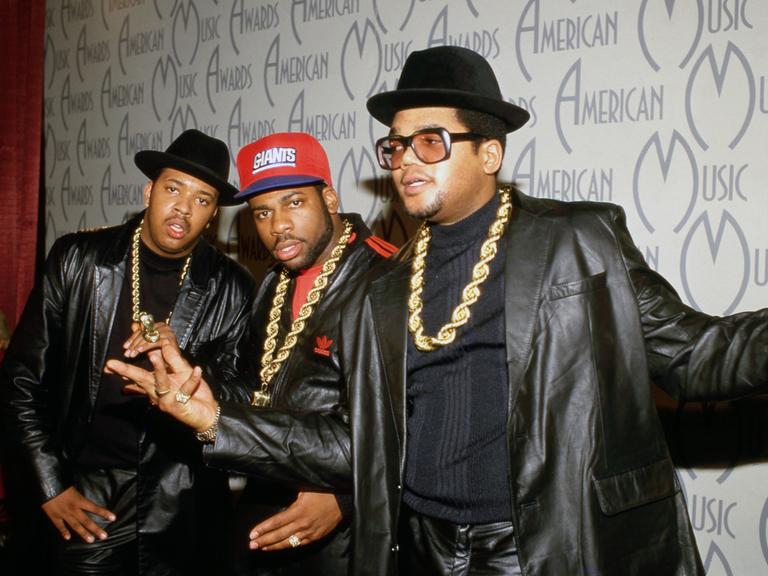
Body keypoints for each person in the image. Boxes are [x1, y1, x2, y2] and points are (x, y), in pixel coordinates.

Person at [107, 47, 768, 576]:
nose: (404, 161)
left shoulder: (576, 242)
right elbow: (354, 444)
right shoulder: (381, 291)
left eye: (431, 141)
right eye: (396, 146)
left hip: (539, 548)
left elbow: (702, 356)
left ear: (490, 151)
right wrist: (213, 418)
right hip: (417, 548)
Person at [108, 132, 396, 576]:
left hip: (346, 538)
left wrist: (346, 497)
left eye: (294, 202)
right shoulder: (274, 282)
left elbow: (403, 425)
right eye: (262, 211)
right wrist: (196, 383)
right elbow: (254, 385)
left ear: (331, 199)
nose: (277, 225)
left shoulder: (385, 279)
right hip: (265, 510)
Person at [0, 129, 256, 575]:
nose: (183, 208)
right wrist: (50, 485)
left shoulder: (231, 286)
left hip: (181, 497)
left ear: (213, 213)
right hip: (84, 489)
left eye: (202, 199)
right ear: (149, 191)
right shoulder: (78, 259)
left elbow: (242, 397)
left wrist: (186, 362)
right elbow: (21, 379)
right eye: (173, 188)